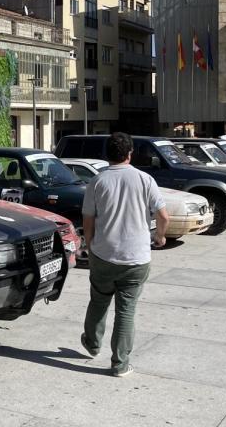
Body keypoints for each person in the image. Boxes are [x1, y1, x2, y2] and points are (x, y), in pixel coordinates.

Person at [80, 132, 169, 377]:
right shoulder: (145, 179)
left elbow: (88, 220)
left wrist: (89, 245)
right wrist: (160, 237)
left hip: (103, 254)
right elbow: (163, 216)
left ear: (106, 154)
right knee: (126, 310)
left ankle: (92, 342)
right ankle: (120, 363)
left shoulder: (97, 181)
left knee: (99, 300)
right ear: (130, 153)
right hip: (136, 258)